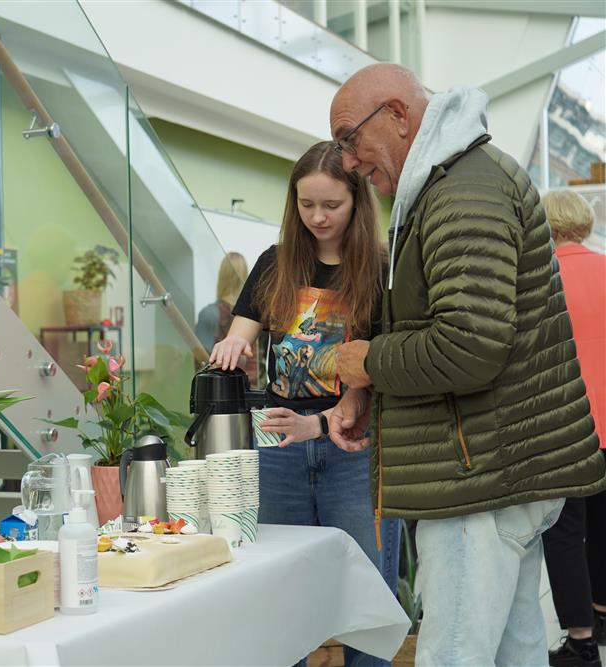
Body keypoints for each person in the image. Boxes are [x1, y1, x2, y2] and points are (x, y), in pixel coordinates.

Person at [327, 64, 606, 667]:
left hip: (477, 479)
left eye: (349, 140)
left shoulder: (459, 190)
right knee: (515, 650)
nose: (346, 162)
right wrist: (373, 389)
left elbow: (469, 343)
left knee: (455, 654)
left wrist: (368, 362)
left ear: (398, 116)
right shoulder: (453, 181)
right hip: (494, 469)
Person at [210, 141, 401, 667]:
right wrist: (232, 343)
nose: (317, 217)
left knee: (369, 598)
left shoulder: (381, 269)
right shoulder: (275, 262)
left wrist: (321, 421)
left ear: (358, 202)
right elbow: (242, 329)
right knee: (279, 594)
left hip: (352, 448)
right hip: (276, 444)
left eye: (331, 206)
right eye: (306, 204)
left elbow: (387, 366)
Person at [540, 190, 606, 667]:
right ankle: (602, 613)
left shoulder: (541, 278)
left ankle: (581, 641)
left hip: (564, 422)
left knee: (564, 531)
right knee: (605, 526)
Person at [195, 252, 258, 383]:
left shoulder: (210, 314)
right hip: (254, 390)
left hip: (222, 389)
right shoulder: (257, 316)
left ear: (221, 277)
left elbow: (200, 361)